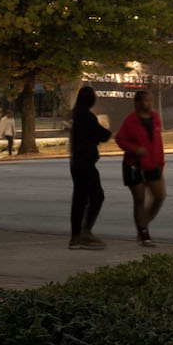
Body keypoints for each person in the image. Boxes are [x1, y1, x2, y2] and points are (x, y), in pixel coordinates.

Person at [115, 90, 167, 247]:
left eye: (150, 101)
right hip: (134, 166)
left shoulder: (156, 118)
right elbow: (120, 139)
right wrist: (134, 149)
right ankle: (143, 232)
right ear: (137, 103)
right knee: (139, 200)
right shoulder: (131, 120)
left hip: (153, 165)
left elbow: (158, 142)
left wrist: (161, 162)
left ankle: (143, 223)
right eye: (144, 101)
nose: (148, 104)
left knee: (160, 196)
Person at [67, 86, 112, 250]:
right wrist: (105, 129)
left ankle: (75, 237)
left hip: (77, 162)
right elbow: (103, 135)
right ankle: (86, 232)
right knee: (97, 196)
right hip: (86, 163)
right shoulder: (87, 116)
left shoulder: (77, 115)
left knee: (79, 199)